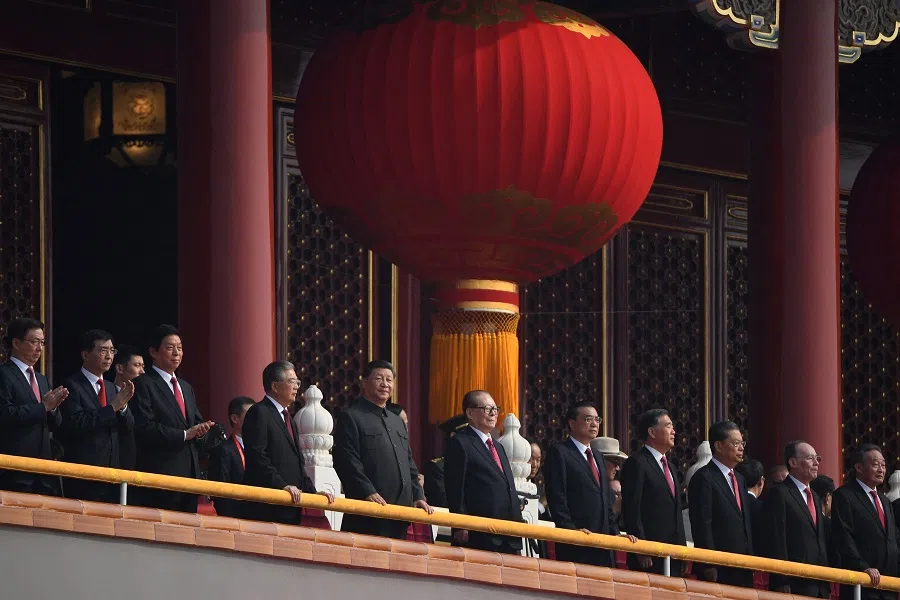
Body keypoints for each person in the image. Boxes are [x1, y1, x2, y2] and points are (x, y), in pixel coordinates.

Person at [334, 360, 432, 539]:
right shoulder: (352, 417)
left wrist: (418, 495)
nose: (385, 384)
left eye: (389, 380)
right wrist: (367, 491)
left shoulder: (397, 422)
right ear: (364, 383)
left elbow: (408, 462)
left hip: (400, 512)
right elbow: (347, 461)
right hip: (368, 510)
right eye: (379, 379)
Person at [131, 324, 214, 512]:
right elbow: (144, 427)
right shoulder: (143, 384)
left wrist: (202, 432)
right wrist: (184, 435)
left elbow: (195, 424)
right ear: (153, 351)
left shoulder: (186, 387)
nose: (176, 353)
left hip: (190, 476)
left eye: (180, 348)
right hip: (160, 474)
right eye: (170, 347)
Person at [545, 401, 635, 566]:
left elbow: (605, 500)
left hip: (603, 544)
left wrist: (615, 532)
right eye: (588, 419)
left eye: (597, 419)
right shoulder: (560, 452)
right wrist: (570, 531)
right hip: (576, 543)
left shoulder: (598, 456)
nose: (595, 424)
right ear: (572, 423)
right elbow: (557, 497)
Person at [242, 362, 333, 524]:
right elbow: (258, 456)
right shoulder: (259, 412)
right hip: (268, 504)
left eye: (297, 382)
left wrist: (313, 493)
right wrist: (281, 486)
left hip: (291, 504)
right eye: (292, 382)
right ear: (275, 386)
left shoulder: (289, 418)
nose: (297, 387)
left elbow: (299, 464)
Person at [59, 329, 135, 502]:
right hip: (85, 474)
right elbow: (75, 424)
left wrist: (122, 409)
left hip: (113, 474)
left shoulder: (111, 387)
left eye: (112, 350)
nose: (109, 356)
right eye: (103, 350)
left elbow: (129, 426)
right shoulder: (71, 385)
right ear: (85, 354)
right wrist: (112, 407)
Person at [444, 390, 522, 554]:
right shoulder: (461, 442)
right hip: (481, 533)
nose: (494, 413)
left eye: (496, 408)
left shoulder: (498, 446)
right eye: (487, 409)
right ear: (470, 413)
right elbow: (455, 487)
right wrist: (460, 524)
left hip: (509, 532)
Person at [0, 317, 69, 495]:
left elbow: (55, 423)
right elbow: (5, 414)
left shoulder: (41, 379)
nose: (39, 348)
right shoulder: (4, 374)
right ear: (16, 342)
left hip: (43, 468)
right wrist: (43, 407)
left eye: (42, 342)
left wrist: (53, 408)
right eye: (34, 342)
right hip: (15, 467)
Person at [688, 420, 753, 588]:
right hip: (719, 565)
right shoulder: (704, 478)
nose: (741, 448)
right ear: (718, 445)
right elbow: (702, 524)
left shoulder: (739, 479)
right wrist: (710, 563)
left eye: (742, 443)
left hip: (743, 564)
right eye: (736, 443)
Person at [621, 408, 687, 575]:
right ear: (651, 432)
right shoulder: (637, 463)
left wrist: (683, 552)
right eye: (668, 426)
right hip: (650, 556)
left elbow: (675, 512)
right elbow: (632, 508)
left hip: (673, 554)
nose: (674, 431)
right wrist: (641, 549)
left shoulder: (671, 467)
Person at [831, 444, 898, 600]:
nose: (881, 470)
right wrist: (862, 567)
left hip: (889, 584)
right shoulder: (844, 495)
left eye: (883, 465)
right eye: (875, 465)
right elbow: (843, 536)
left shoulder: (884, 500)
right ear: (859, 467)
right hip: (862, 583)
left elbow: (893, 537)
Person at [765, 440, 830, 598]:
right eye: (810, 458)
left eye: (817, 458)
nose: (816, 463)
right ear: (793, 462)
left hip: (819, 581)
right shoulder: (780, 493)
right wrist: (782, 579)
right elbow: (777, 538)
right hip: (794, 582)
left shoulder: (814, 496)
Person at [208, 396, 254, 518]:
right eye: (250, 415)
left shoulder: (261, 448)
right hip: (235, 516)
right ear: (235, 418)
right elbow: (220, 492)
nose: (256, 420)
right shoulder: (223, 450)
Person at [423, 414, 467, 508]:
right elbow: (442, 502)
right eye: (467, 436)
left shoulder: (475, 465)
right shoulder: (437, 467)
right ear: (453, 436)